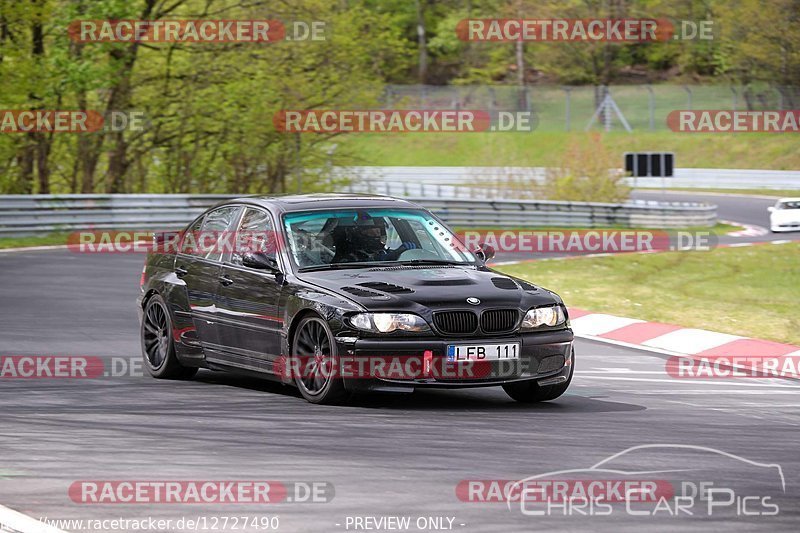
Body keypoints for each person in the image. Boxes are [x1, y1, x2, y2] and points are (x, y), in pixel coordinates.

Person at [332, 213, 417, 263]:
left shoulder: (383, 252)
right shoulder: (348, 258)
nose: (377, 234)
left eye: (379, 231)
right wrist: (385, 258)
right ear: (358, 233)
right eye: (372, 231)